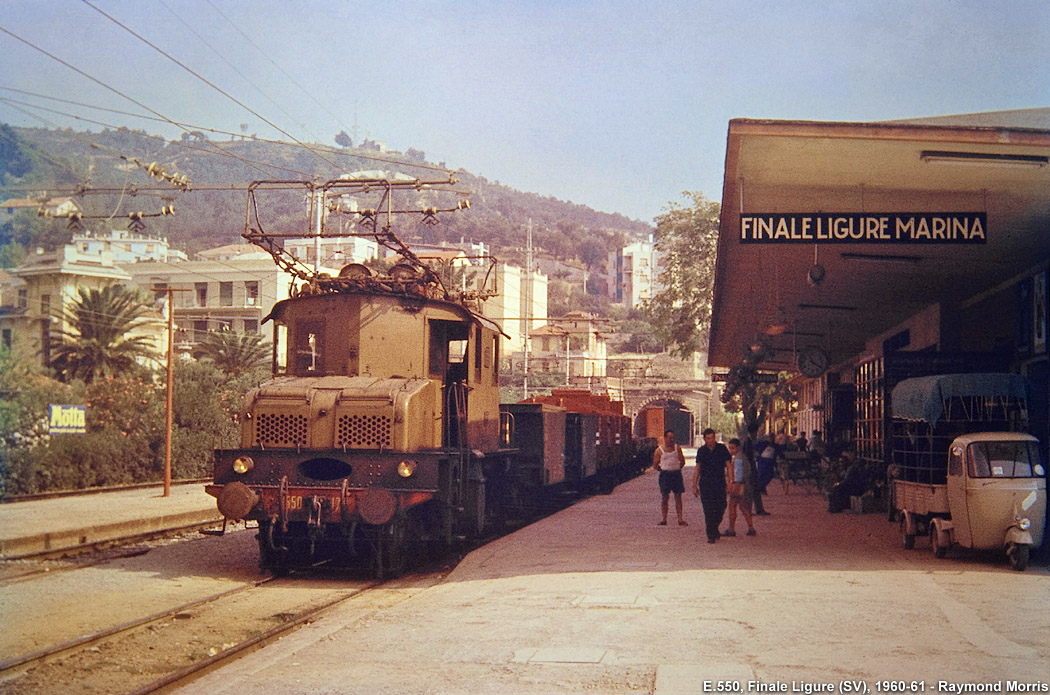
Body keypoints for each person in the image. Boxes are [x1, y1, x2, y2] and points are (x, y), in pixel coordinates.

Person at [692, 428, 729, 543]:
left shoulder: (721, 449)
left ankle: (714, 527)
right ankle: (711, 534)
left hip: (720, 483)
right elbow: (697, 468)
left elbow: (729, 465)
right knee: (708, 510)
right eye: (708, 438)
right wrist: (694, 485)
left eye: (712, 438)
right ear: (704, 439)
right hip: (706, 484)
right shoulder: (702, 451)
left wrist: (731, 481)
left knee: (721, 507)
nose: (711, 440)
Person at [652, 430, 688, 526]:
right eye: (670, 438)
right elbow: (655, 465)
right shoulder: (659, 451)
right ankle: (664, 519)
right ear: (665, 438)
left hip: (676, 474)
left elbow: (682, 461)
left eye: (673, 438)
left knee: (678, 497)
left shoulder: (677, 448)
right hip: (665, 475)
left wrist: (676, 468)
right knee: (664, 497)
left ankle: (680, 519)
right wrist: (663, 469)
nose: (672, 440)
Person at [723, 438, 756, 537]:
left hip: (739, 484)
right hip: (745, 484)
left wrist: (733, 484)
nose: (731, 450)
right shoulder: (743, 457)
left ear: (738, 447)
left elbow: (738, 474)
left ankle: (731, 529)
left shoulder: (737, 459)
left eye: (732, 448)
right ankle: (751, 527)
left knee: (732, 506)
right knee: (743, 506)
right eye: (730, 448)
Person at [742, 422, 768, 516]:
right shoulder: (748, 442)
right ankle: (749, 509)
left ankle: (759, 509)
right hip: (750, 467)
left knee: (756, 488)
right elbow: (748, 456)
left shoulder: (750, 441)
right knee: (750, 489)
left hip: (752, 466)